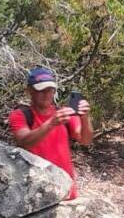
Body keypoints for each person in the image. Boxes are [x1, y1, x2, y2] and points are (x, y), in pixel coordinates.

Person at [8, 66, 93, 200]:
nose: (47, 94)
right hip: (36, 191)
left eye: (51, 89)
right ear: (30, 90)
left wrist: (85, 117)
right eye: (42, 89)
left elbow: (85, 140)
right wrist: (51, 123)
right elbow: (24, 141)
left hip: (66, 189)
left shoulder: (64, 114)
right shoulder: (20, 115)